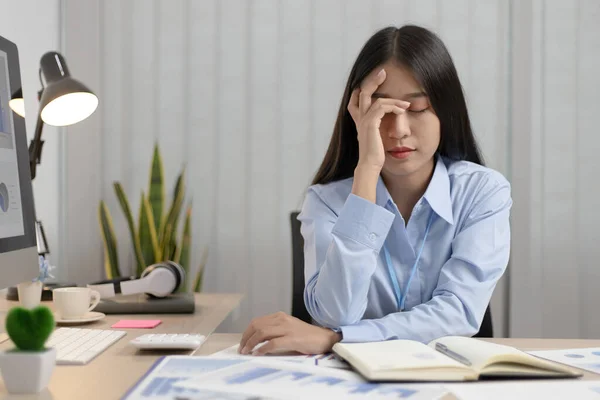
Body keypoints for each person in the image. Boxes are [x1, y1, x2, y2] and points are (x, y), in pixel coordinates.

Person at [239, 24, 512, 356]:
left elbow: (459, 312)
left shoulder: (483, 192)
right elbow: (335, 314)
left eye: (418, 108)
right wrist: (366, 170)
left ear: (446, 111)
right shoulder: (325, 201)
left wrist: (339, 339)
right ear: (358, 116)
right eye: (380, 111)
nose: (398, 130)